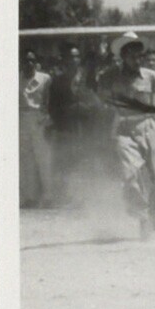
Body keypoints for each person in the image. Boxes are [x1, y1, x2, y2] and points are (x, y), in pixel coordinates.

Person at [99, 32, 155, 239]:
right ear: (123, 56)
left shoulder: (151, 76)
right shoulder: (110, 76)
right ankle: (143, 218)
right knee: (131, 174)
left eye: (140, 55)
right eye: (132, 55)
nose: (137, 59)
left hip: (149, 125)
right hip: (124, 128)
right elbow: (101, 96)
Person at [47, 44, 99, 203]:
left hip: (85, 128)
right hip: (66, 129)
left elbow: (98, 103)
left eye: (76, 56)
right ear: (64, 59)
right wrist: (66, 112)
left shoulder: (88, 78)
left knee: (85, 161)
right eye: (70, 57)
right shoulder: (57, 81)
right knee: (65, 163)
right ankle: (64, 197)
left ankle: (86, 198)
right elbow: (52, 107)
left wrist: (86, 108)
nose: (73, 60)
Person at [20, 49, 54, 207]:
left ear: (36, 62)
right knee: (26, 159)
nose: (29, 63)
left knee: (43, 159)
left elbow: (49, 102)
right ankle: (29, 197)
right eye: (26, 60)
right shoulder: (15, 78)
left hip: (39, 119)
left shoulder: (45, 78)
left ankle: (48, 196)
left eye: (32, 60)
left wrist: (47, 122)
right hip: (21, 119)